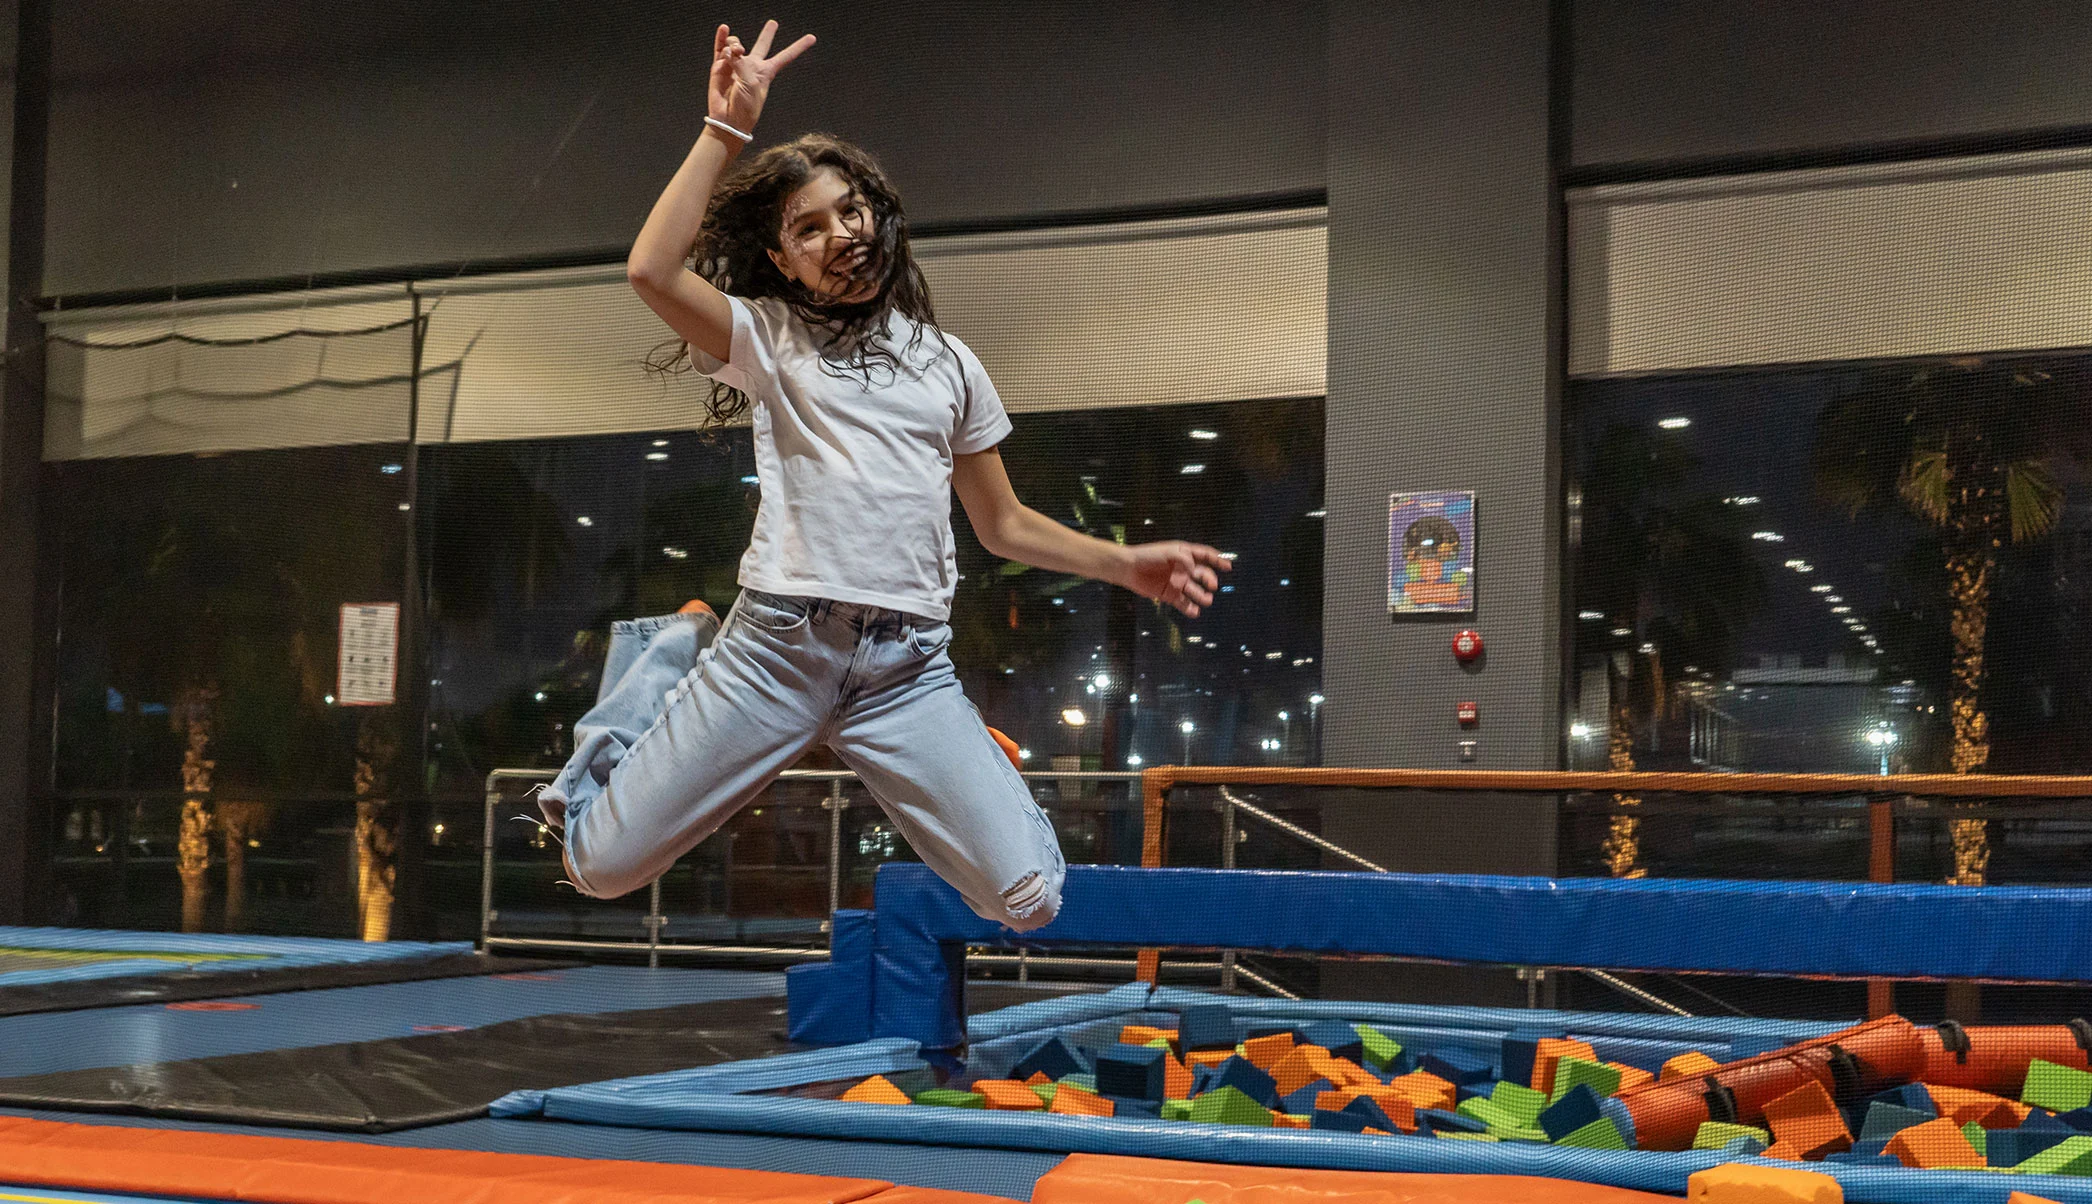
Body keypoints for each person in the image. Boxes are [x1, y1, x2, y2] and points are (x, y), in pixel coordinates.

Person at [536, 20, 1229, 932]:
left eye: (850, 212)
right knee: (601, 866)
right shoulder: (769, 338)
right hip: (777, 653)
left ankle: (961, 763)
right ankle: (664, 650)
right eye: (808, 229)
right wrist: (724, 130)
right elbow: (650, 270)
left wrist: (1122, 564)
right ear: (783, 261)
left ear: (881, 218)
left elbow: (1004, 525)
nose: (838, 235)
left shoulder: (949, 364)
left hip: (903, 669)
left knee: (1030, 901)